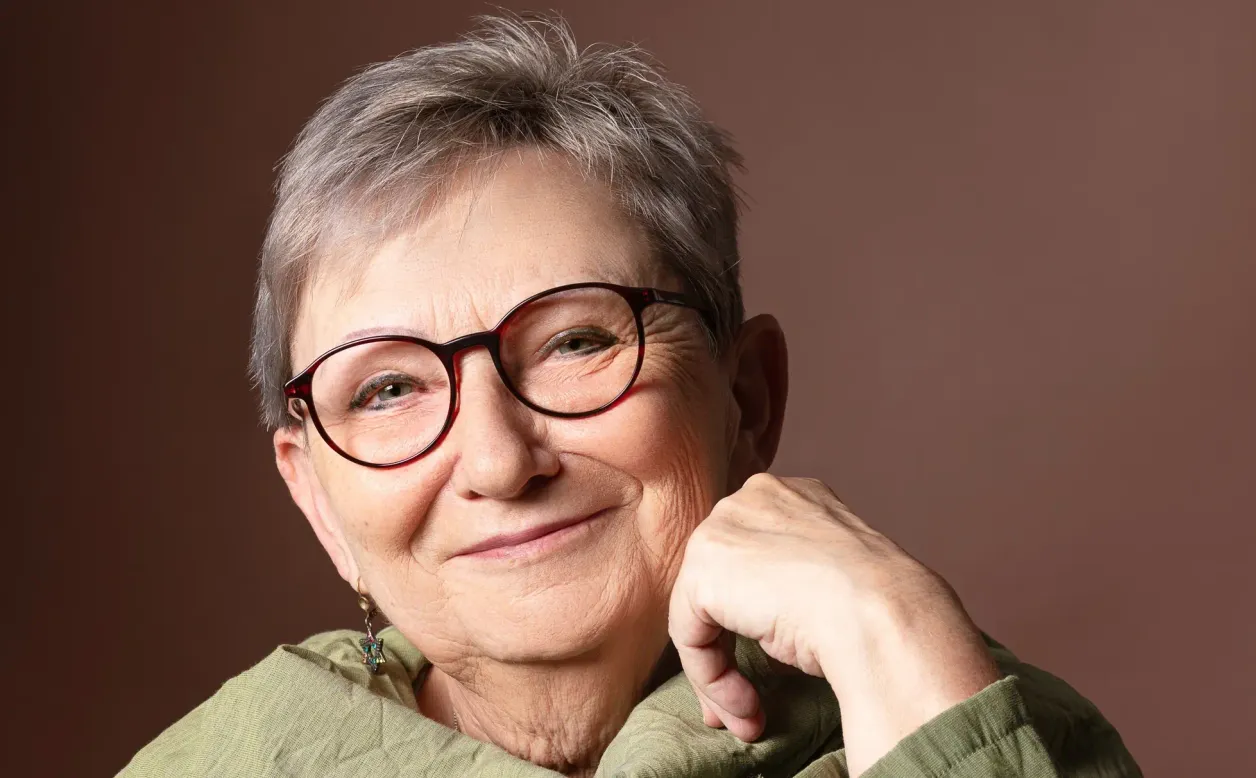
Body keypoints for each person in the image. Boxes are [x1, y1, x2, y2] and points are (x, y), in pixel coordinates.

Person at [123, 13, 1140, 778]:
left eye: (574, 341)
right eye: (387, 388)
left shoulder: (975, 723)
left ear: (745, 396)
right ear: (317, 500)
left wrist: (893, 629)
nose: (497, 460)